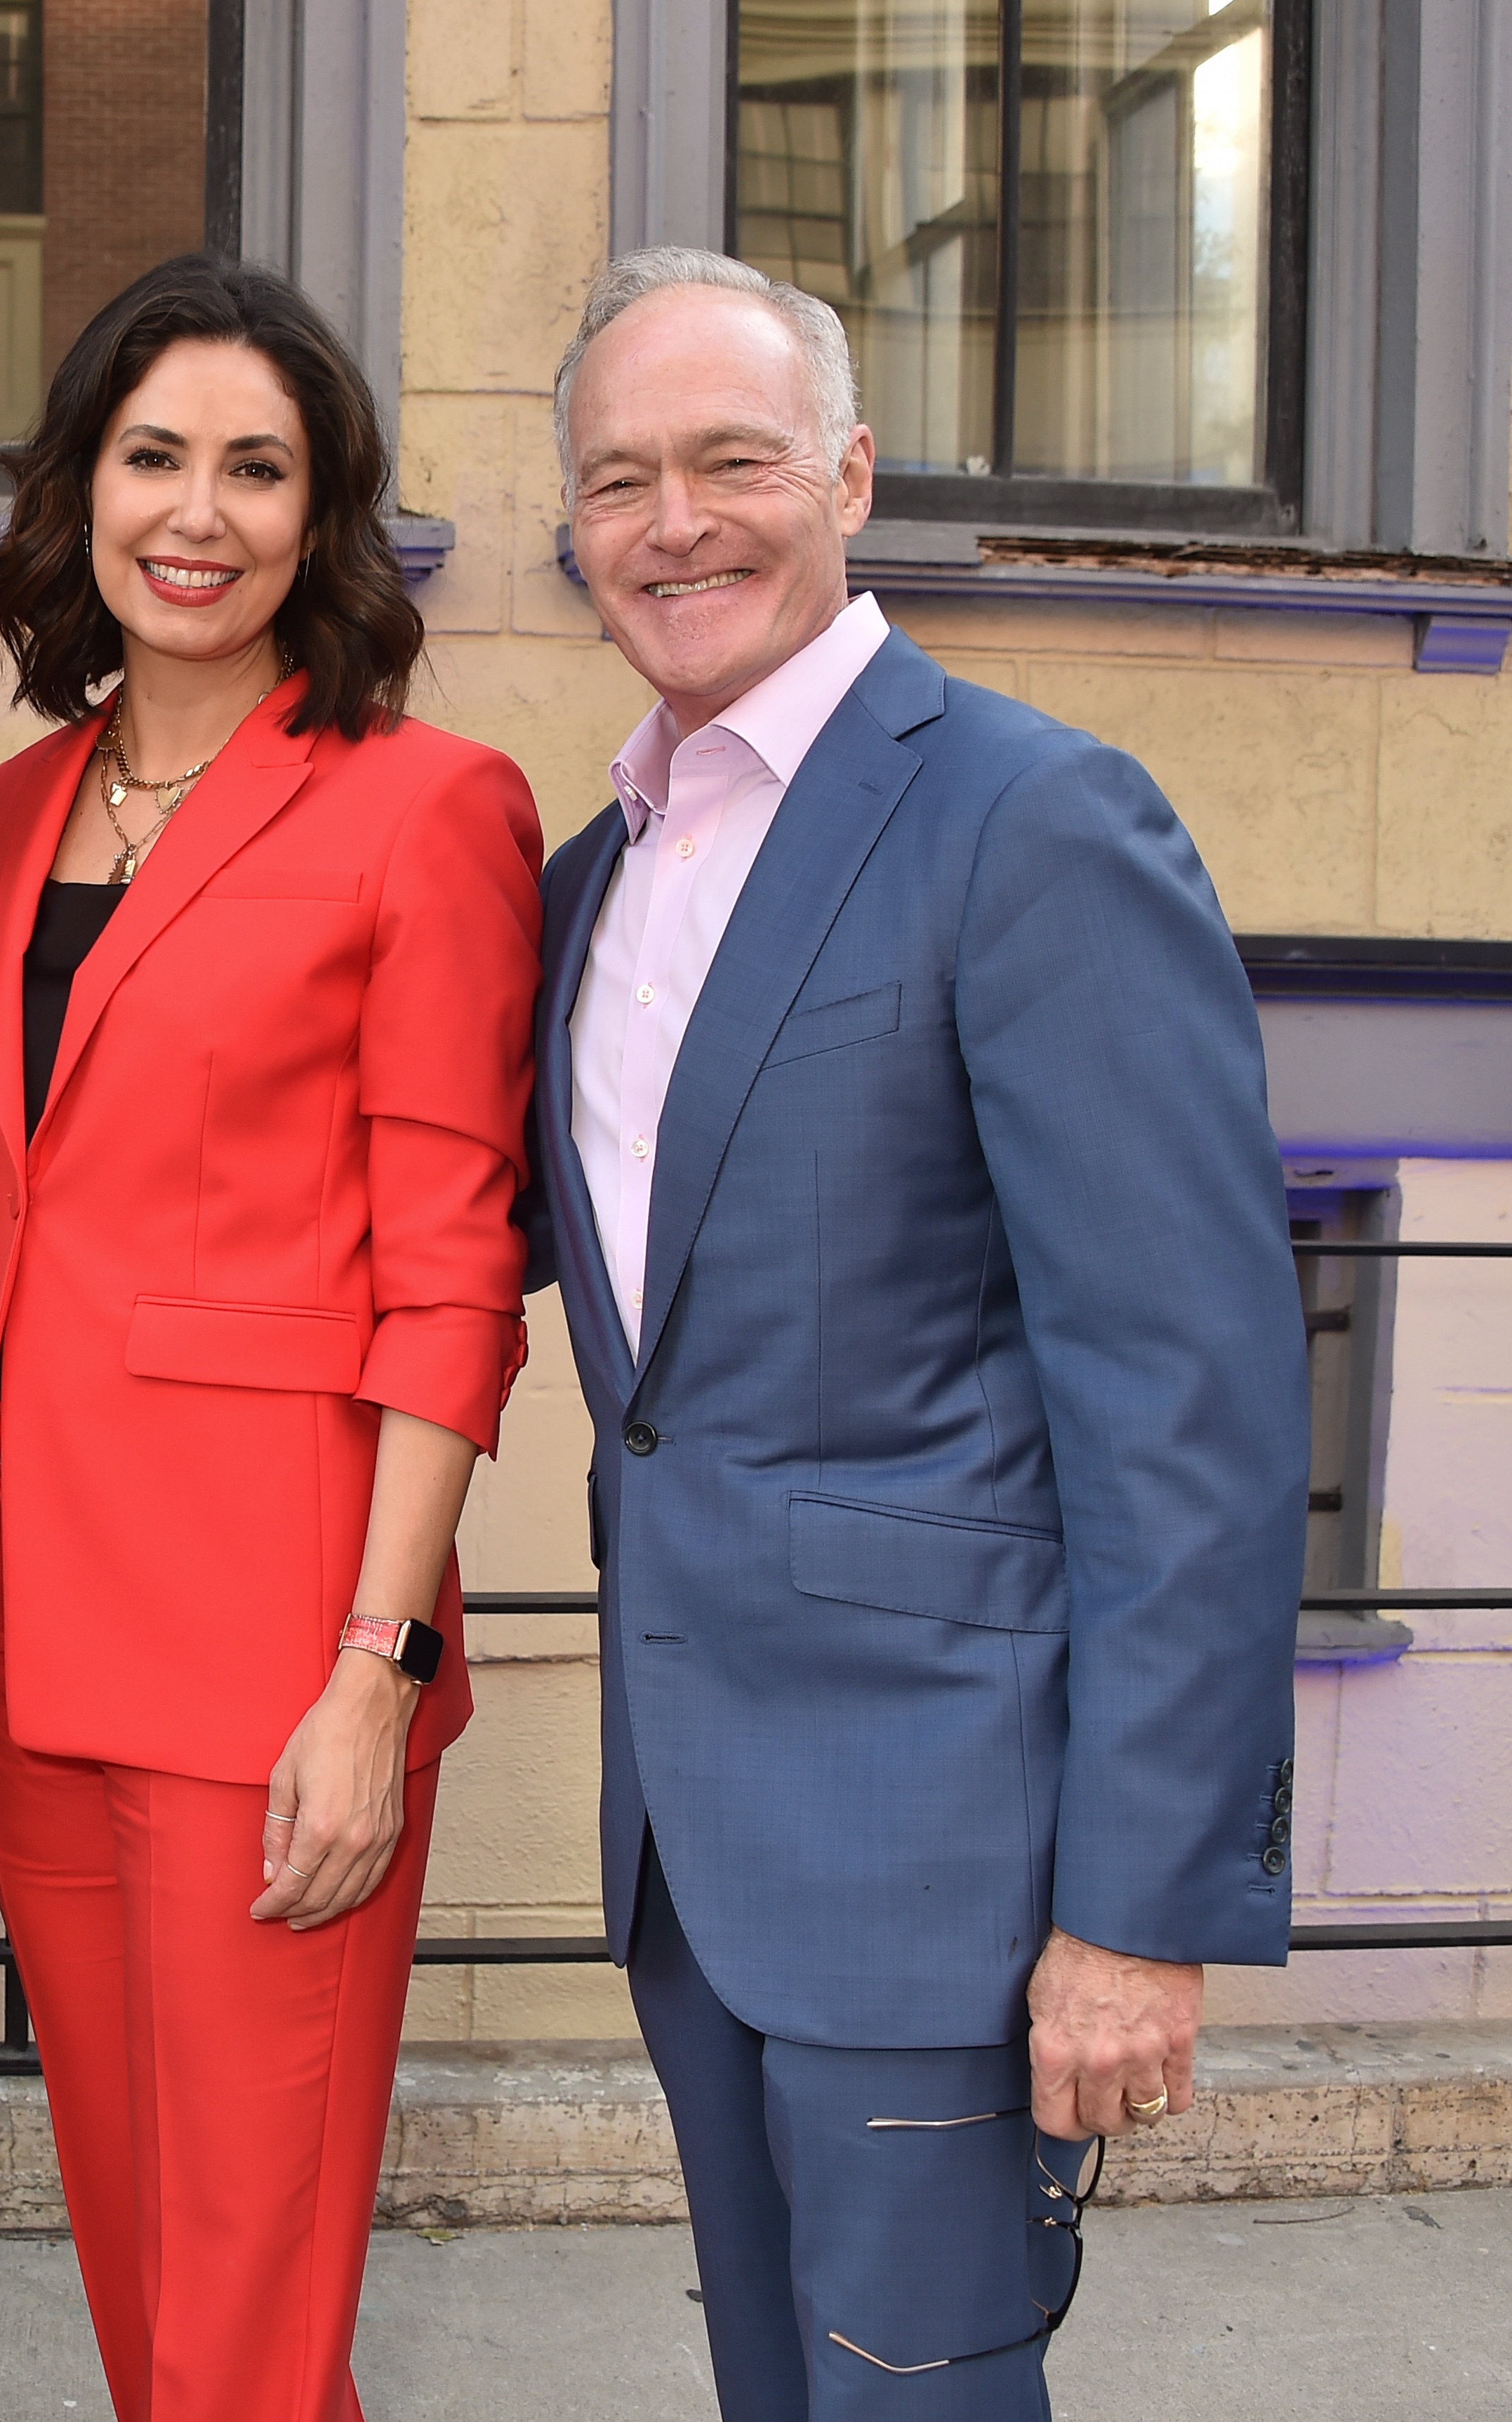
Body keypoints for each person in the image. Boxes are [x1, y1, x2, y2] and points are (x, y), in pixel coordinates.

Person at [530, 246, 1308, 2417]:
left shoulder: (1034, 819)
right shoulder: (601, 873)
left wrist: (1139, 1908)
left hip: (947, 1858)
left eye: (731, 461)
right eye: (619, 480)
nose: (674, 520)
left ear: (850, 476)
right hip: (695, 1847)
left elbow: (1190, 1407)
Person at [0, 253, 544, 2420]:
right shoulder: (24, 810)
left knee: (253, 2303)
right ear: (83, 487)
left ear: (326, 511)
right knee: (139, 2268)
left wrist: (373, 1676)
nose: (198, 511)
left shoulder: (425, 802)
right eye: (155, 454)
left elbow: (451, 1265)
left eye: (258, 467)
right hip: (28, 1642)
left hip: (274, 1649)